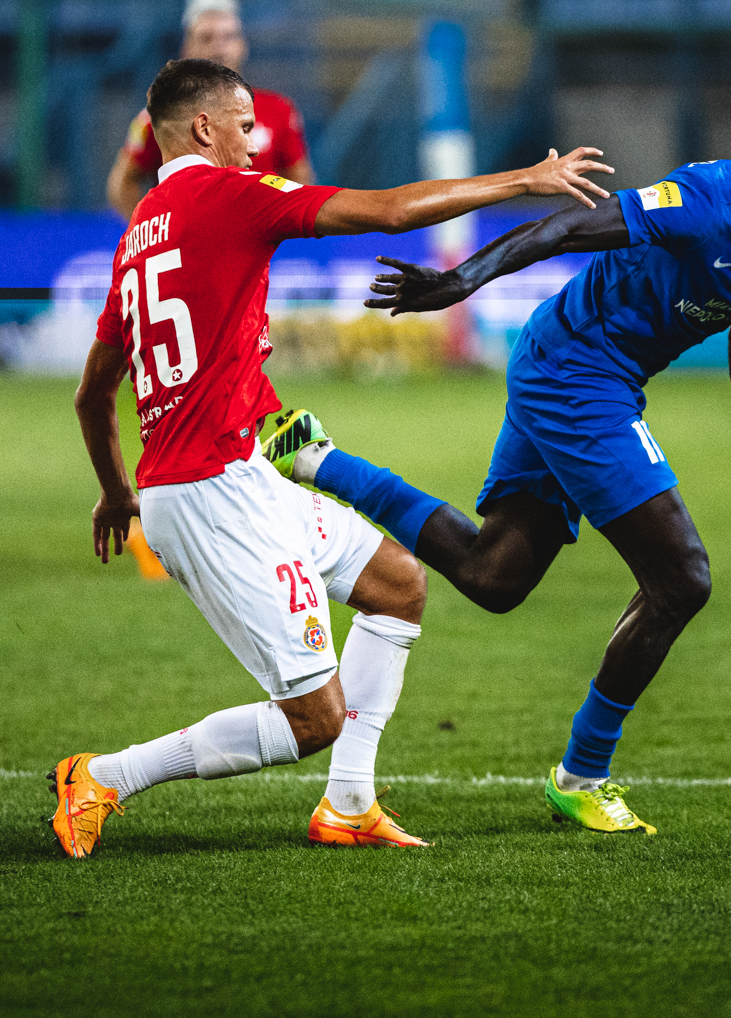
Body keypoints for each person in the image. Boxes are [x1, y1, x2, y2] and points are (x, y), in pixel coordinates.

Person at [263, 103, 731, 836]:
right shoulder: (710, 199)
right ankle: (582, 775)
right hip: (577, 371)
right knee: (682, 578)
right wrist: (462, 281)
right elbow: (562, 228)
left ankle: (314, 456)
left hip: (579, 370)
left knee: (495, 576)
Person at [52, 57, 613, 858]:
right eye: (245, 125)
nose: (256, 143)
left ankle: (348, 804)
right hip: (212, 494)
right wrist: (526, 179)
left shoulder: (139, 233)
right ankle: (103, 775)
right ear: (204, 128)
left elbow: (92, 394)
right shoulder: (228, 195)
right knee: (312, 719)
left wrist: (116, 493)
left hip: (227, 473)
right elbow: (389, 211)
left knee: (397, 584)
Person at [105, 0, 315, 219]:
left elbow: (300, 181)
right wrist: (150, 227)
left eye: (229, 37)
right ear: (187, 48)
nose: (219, 48)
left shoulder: (280, 110)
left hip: (259, 237)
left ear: (243, 45)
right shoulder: (159, 115)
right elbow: (122, 184)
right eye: (206, 38)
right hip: (188, 238)